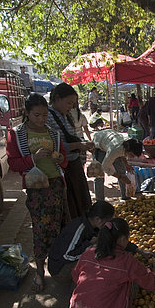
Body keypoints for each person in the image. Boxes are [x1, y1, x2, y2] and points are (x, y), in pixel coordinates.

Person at [6, 93, 68, 292]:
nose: (41, 119)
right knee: (41, 231)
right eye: (36, 115)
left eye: (44, 115)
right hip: (36, 190)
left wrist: (60, 160)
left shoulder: (53, 134)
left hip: (56, 186)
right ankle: (40, 272)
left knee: (59, 229)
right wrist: (33, 158)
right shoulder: (17, 134)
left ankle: (57, 267)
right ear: (27, 113)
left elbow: (64, 159)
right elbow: (13, 163)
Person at [68, 217, 155, 308]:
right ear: (123, 239)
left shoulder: (89, 252)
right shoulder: (127, 261)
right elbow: (152, 284)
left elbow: (75, 276)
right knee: (131, 281)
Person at [47, 82, 94, 219]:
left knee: (81, 203)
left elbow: (70, 137)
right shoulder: (48, 117)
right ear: (57, 99)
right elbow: (55, 146)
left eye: (73, 103)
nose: (72, 107)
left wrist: (83, 143)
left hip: (74, 164)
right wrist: (78, 146)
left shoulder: (66, 115)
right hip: (62, 168)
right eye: (69, 103)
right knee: (71, 205)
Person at [48, 200, 114, 283]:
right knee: (95, 260)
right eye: (106, 222)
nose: (107, 224)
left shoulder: (92, 224)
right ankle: (77, 288)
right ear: (98, 219)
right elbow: (67, 256)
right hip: (59, 270)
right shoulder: (79, 229)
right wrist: (89, 244)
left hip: (65, 261)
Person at [92, 130, 148, 201]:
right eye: (132, 155)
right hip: (99, 145)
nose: (132, 157)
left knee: (122, 170)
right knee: (99, 175)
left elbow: (122, 153)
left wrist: (126, 164)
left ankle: (126, 196)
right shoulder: (115, 150)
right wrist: (120, 177)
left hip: (111, 143)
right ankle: (99, 201)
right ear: (128, 150)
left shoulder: (127, 144)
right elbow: (104, 167)